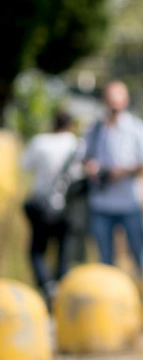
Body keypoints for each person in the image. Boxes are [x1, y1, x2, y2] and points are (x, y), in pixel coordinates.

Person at [83, 81, 143, 274]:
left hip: (130, 203)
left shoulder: (138, 129)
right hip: (101, 202)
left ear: (126, 100)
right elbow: (82, 157)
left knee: (139, 255)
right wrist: (92, 168)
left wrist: (120, 172)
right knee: (104, 260)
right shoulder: (94, 129)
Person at [20, 111, 81, 306]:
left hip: (42, 206)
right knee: (64, 252)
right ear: (70, 125)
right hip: (67, 208)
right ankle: (61, 294)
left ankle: (47, 285)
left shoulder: (40, 142)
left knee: (37, 250)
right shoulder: (77, 145)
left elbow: (24, 166)